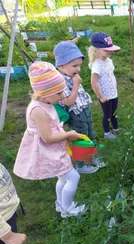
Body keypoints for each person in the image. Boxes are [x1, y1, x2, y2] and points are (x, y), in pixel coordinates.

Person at [13, 62, 86, 218]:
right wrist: (68, 135)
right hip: (49, 150)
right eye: (58, 93)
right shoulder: (38, 110)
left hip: (54, 149)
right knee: (73, 177)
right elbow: (47, 137)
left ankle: (60, 204)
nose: (62, 96)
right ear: (45, 93)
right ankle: (68, 208)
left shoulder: (45, 102)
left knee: (62, 177)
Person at [54, 41, 106, 174]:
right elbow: (68, 102)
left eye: (79, 65)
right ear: (61, 65)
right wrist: (76, 84)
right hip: (75, 114)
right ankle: (81, 164)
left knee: (90, 134)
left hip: (84, 110)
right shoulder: (60, 81)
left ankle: (92, 156)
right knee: (80, 138)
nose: (78, 69)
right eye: (74, 66)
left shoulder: (71, 75)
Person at [89, 32, 121, 140]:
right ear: (97, 49)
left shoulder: (109, 61)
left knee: (115, 113)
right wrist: (101, 96)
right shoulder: (97, 65)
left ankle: (116, 129)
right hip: (105, 96)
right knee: (107, 115)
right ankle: (107, 133)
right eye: (106, 50)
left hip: (113, 93)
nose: (110, 51)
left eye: (110, 49)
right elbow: (94, 82)